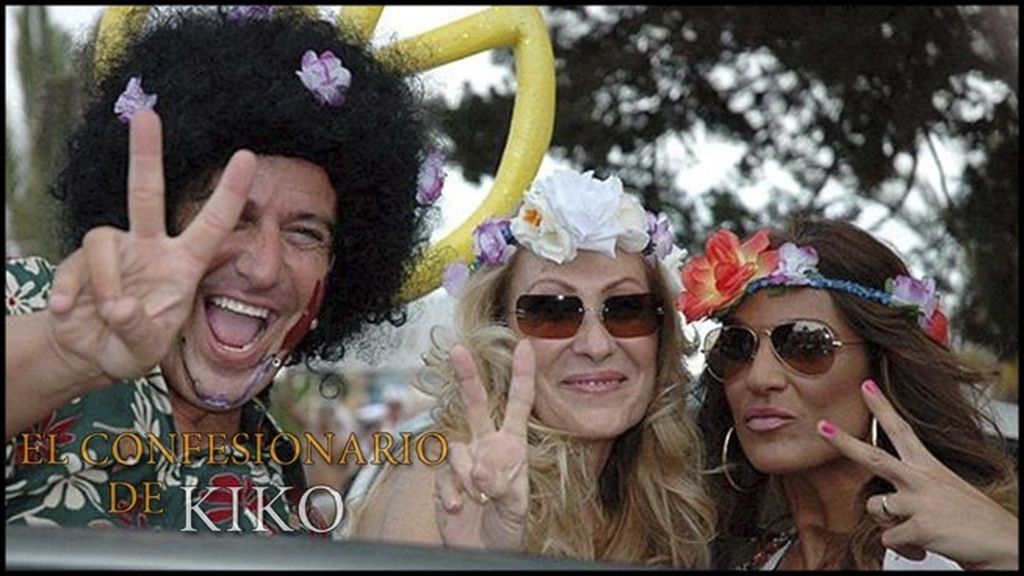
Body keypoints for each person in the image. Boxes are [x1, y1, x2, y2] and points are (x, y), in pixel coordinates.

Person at [5, 6, 436, 533]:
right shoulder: (40, 308)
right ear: (160, 218)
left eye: (305, 232)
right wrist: (59, 355)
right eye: (230, 216)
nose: (262, 267)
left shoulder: (286, 507)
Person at [347, 170, 716, 567]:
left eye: (627, 310)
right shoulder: (449, 477)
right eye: (551, 311)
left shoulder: (657, 498)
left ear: (661, 337)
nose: (596, 345)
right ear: (498, 331)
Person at [683, 218, 1018, 569]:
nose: (759, 377)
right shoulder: (745, 556)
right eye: (737, 347)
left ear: (883, 368)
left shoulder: (945, 558)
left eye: (805, 343)